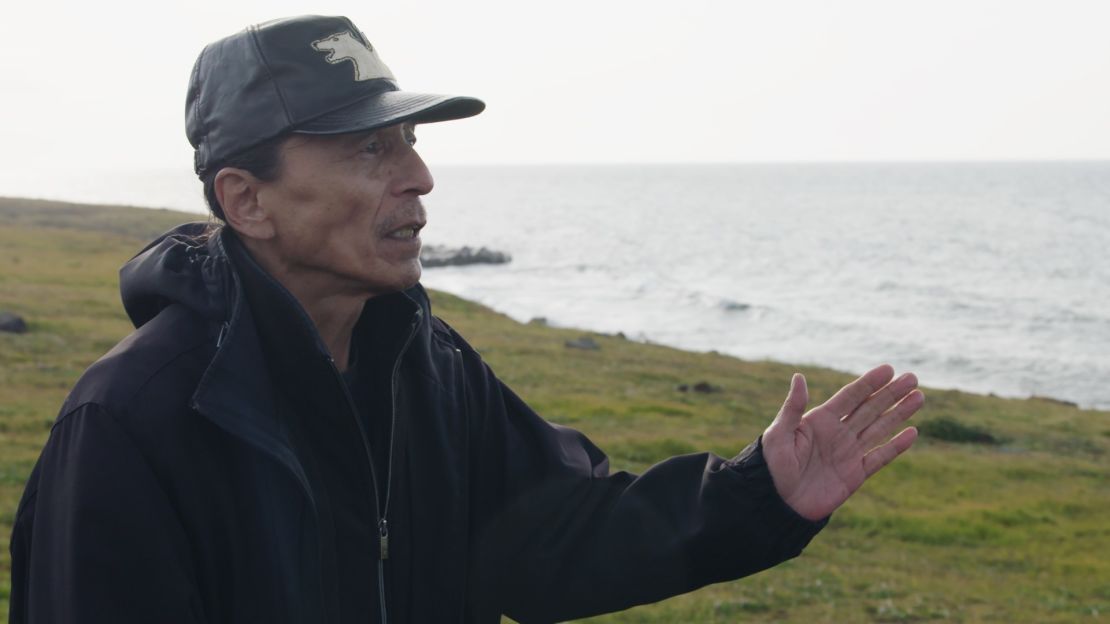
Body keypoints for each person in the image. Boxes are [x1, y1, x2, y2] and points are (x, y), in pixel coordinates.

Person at [8, 14, 923, 624]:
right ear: (246, 200)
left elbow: (554, 537)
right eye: (371, 149)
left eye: (410, 141)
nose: (418, 177)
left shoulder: (425, 364)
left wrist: (757, 495)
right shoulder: (131, 423)